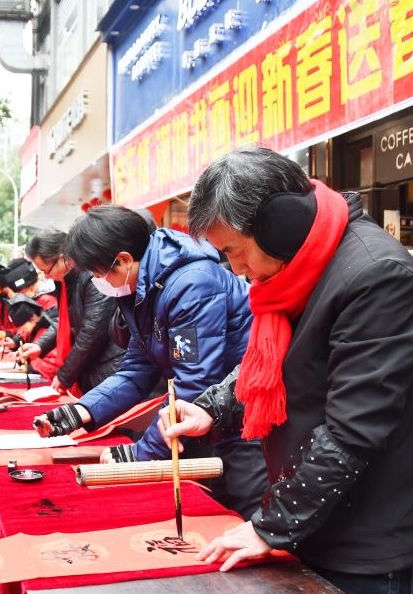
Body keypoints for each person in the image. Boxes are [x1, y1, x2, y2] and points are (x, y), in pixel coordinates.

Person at [163, 147, 413, 594]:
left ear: (279, 224)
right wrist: (211, 407)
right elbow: (275, 366)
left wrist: (267, 527)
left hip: (362, 546)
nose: (234, 269)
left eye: (233, 251)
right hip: (310, 523)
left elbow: (352, 431)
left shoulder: (377, 276)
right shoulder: (300, 269)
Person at [33, 205, 264, 518]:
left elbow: (195, 381)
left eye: (100, 274)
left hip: (245, 416)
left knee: (244, 511)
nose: (100, 282)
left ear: (125, 260)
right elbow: (135, 370)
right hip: (205, 414)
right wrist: (81, 411)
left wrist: (141, 452)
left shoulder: (191, 284)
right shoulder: (142, 288)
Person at [22, 227, 125, 395]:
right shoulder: (66, 281)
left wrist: (65, 376)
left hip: (108, 370)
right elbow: (64, 321)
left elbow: (91, 333)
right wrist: (40, 346)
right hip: (92, 369)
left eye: (45, 271)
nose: (46, 277)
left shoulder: (92, 275)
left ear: (62, 258)